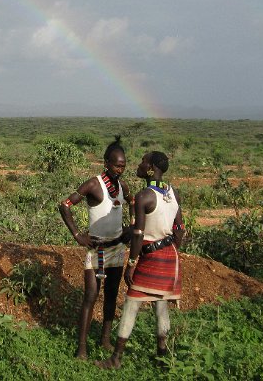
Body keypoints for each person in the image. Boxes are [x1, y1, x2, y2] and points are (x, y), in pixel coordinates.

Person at [97, 150, 184, 369]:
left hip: (150, 256)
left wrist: (132, 264)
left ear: (152, 168)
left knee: (132, 303)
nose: (139, 164)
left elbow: (138, 234)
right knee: (161, 304)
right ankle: (162, 356)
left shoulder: (144, 196)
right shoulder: (173, 193)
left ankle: (116, 358)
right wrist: (172, 251)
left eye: (144, 162)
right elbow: (180, 229)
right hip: (169, 255)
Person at [59, 136, 132, 358]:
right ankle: (82, 347)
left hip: (117, 248)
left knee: (111, 296)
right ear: (106, 163)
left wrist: (133, 227)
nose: (120, 169)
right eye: (116, 164)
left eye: (123, 165)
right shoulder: (93, 184)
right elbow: (65, 205)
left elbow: (134, 204)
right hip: (96, 249)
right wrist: (77, 234)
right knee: (91, 295)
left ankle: (105, 340)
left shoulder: (123, 187)